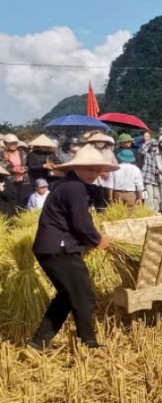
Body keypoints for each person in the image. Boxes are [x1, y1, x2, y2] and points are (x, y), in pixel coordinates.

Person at [29, 146, 119, 350]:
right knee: (83, 296)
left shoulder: (69, 185)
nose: (93, 173)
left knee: (67, 296)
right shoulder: (74, 188)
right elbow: (81, 223)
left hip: (52, 248)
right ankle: (88, 343)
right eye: (89, 169)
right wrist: (97, 240)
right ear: (76, 167)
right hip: (59, 250)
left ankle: (39, 341)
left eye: (97, 170)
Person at [2, 133, 30, 206]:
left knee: (23, 200)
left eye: (15, 143)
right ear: (6, 144)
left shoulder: (22, 153)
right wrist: (12, 169)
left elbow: (29, 165)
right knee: (11, 201)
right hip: (10, 181)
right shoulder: (2, 155)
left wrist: (24, 169)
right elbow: (1, 169)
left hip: (23, 180)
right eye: (11, 143)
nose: (14, 145)